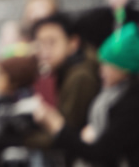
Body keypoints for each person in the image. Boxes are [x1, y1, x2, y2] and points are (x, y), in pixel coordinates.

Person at [33, 22, 139, 166]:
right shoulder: (111, 94)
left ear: (125, 68)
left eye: (109, 65)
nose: (101, 71)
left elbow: (99, 152)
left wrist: (57, 126)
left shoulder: (130, 104)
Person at [31, 12, 101, 142]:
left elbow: (66, 135)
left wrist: (24, 139)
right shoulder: (65, 70)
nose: (44, 51)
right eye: (40, 44)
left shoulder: (80, 76)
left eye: (51, 43)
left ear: (73, 43)